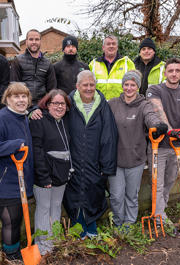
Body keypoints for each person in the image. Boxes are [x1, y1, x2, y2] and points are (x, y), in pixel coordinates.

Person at [0, 82, 34, 260]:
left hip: (17, 180)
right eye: (16, 96)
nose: (21, 100)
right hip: (1, 182)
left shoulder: (23, 117)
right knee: (11, 221)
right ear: (7, 99)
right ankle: (11, 256)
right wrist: (14, 145)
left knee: (16, 220)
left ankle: (14, 252)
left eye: (24, 96)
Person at [108, 70, 168, 228]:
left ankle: (129, 223)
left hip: (136, 158)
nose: (129, 88)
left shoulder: (144, 105)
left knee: (132, 195)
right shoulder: (113, 104)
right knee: (116, 195)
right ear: (122, 86)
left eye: (132, 85)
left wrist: (157, 125)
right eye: (126, 84)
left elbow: (151, 117)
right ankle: (118, 223)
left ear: (138, 87)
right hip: (116, 159)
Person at [63, 70, 118, 239]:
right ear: (77, 86)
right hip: (74, 159)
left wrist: (107, 165)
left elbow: (109, 136)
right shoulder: (68, 103)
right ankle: (78, 229)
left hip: (95, 160)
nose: (88, 88)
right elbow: (48, 110)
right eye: (85, 85)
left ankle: (91, 228)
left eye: (91, 85)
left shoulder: (102, 105)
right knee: (74, 194)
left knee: (94, 193)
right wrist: (33, 110)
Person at [146, 57, 180, 227]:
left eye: (177, 71)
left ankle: (160, 210)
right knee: (157, 183)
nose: (174, 74)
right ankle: (159, 219)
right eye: (171, 71)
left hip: (177, 146)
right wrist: (170, 131)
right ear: (165, 72)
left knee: (169, 181)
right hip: (158, 145)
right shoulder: (155, 89)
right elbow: (158, 110)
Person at [29, 89, 72, 255]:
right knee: (44, 208)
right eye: (55, 103)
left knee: (56, 207)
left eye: (63, 104)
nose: (59, 107)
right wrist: (43, 176)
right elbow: (37, 150)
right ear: (47, 104)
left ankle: (54, 241)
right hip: (44, 175)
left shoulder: (65, 121)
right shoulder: (39, 120)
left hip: (61, 174)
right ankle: (43, 245)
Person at [10, 29, 57, 109]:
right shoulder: (18, 61)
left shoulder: (47, 63)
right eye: (31, 39)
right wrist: (29, 108)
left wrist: (43, 106)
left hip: (42, 107)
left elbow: (52, 89)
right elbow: (14, 87)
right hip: (23, 107)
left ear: (40, 41)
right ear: (26, 42)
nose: (34, 42)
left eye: (37, 39)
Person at [89, 35, 135, 100]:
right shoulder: (93, 64)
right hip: (98, 106)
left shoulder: (127, 63)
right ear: (103, 47)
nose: (111, 46)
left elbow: (135, 87)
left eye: (113, 44)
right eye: (108, 44)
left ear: (117, 47)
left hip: (121, 106)